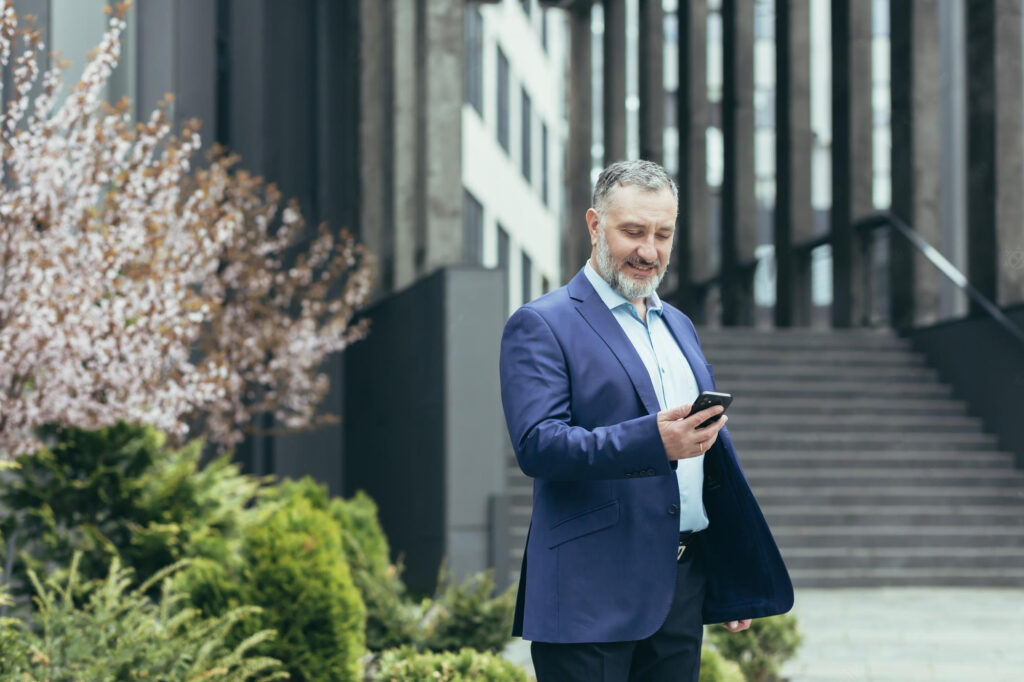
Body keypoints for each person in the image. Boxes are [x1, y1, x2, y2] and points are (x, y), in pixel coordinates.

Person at [499, 160, 793, 681]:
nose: (649, 250)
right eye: (632, 231)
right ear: (594, 225)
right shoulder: (542, 323)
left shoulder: (678, 323)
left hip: (681, 585)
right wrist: (652, 441)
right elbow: (538, 445)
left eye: (663, 234)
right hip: (588, 596)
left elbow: (706, 454)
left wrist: (727, 564)